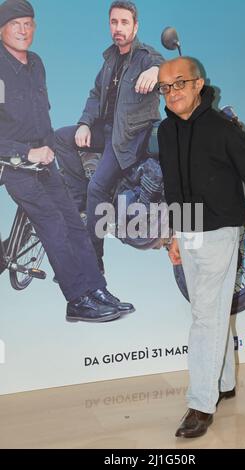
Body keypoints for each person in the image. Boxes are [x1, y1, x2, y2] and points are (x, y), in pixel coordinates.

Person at [157, 57, 245, 438]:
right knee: (209, 310)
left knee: (205, 317)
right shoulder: (165, 131)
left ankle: (200, 404)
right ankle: (223, 383)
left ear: (198, 84)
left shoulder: (224, 129)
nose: (172, 93)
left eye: (179, 83)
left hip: (223, 231)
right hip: (189, 231)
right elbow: (173, 186)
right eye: (166, 87)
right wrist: (175, 234)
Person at [0, 0, 129, 323]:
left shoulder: (36, 63)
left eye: (29, 24)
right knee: (53, 225)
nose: (23, 30)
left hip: (44, 159)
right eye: (16, 24)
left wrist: (47, 148)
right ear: (2, 28)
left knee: (75, 221)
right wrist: (26, 153)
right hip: (13, 163)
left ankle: (97, 290)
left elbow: (40, 112)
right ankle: (76, 299)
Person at [55, 1, 164, 285]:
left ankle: (94, 264)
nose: (118, 28)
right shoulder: (109, 60)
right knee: (60, 138)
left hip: (129, 137)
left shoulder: (145, 56)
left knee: (98, 187)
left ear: (135, 26)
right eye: (114, 22)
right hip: (106, 130)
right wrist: (84, 123)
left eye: (124, 23)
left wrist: (157, 73)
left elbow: (168, 67)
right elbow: (94, 95)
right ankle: (80, 206)